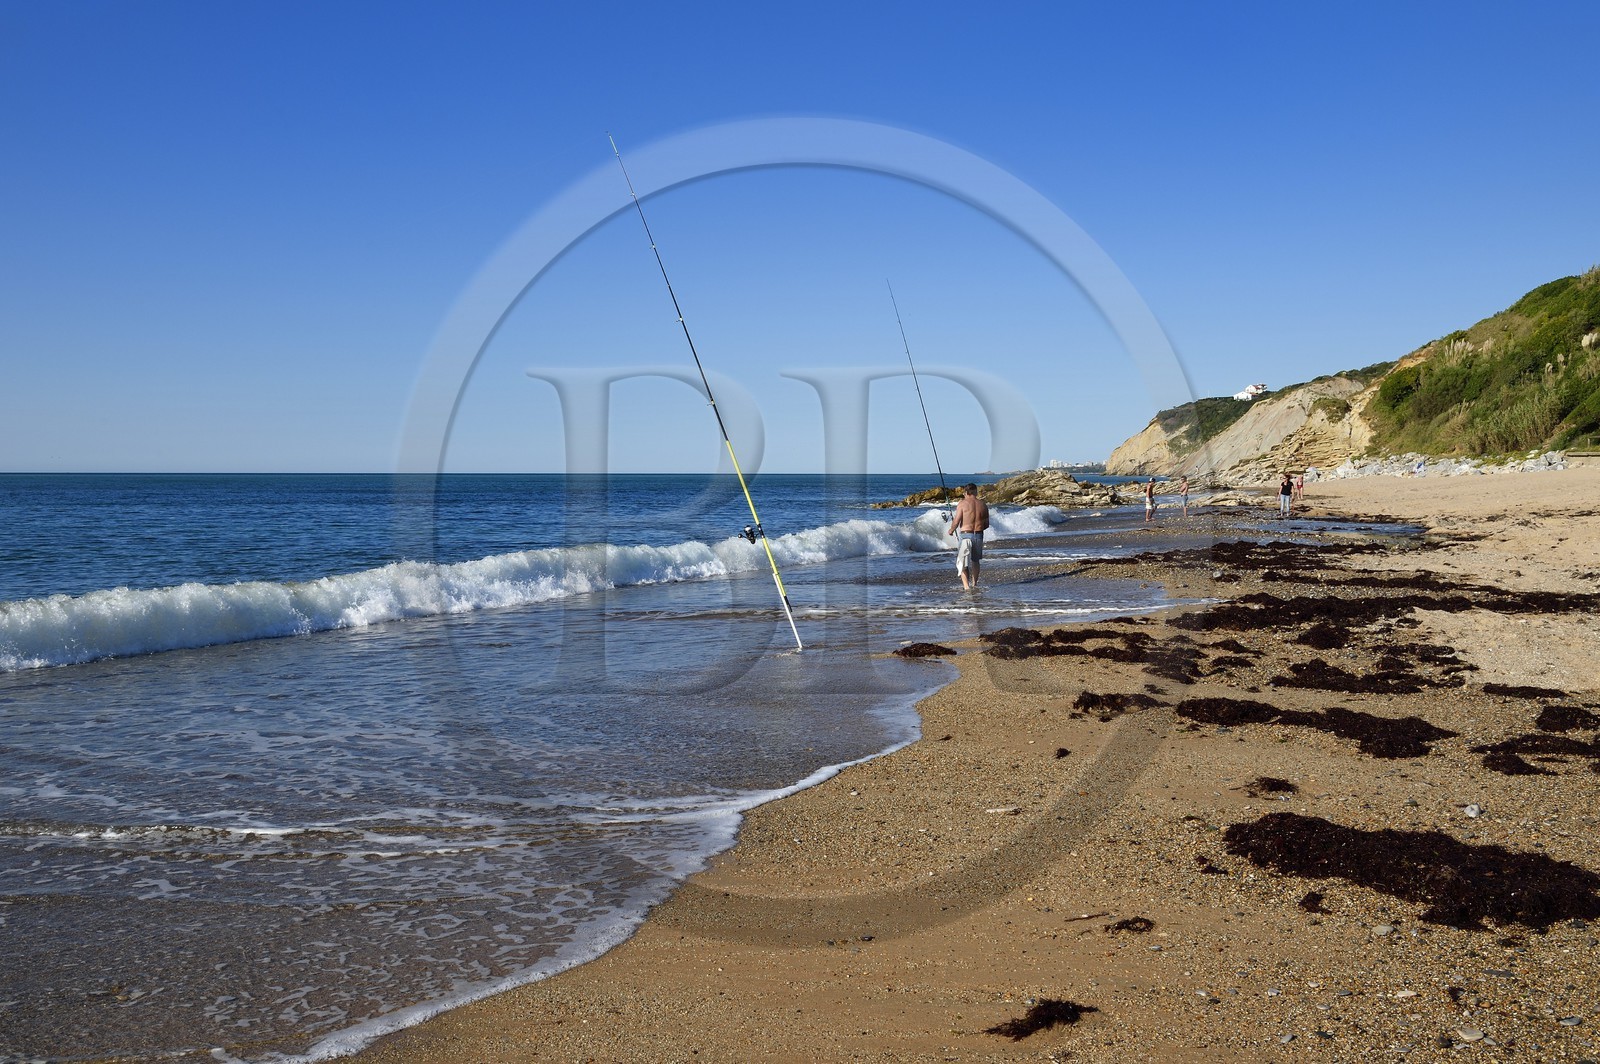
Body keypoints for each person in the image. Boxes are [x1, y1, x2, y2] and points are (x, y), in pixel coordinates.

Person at [947, 482, 990, 590]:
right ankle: (974, 584)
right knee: (975, 561)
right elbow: (986, 524)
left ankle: (966, 587)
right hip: (978, 535)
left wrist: (951, 530)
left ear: (966, 492)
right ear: (975, 491)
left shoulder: (962, 503)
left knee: (963, 561)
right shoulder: (983, 504)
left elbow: (957, 520)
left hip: (966, 535)